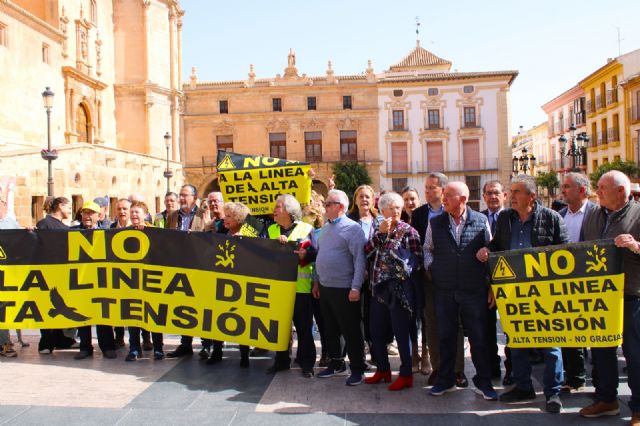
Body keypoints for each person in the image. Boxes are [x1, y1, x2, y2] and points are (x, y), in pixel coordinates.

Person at [477, 174, 568, 413]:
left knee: (551, 343)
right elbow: (498, 245)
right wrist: (488, 250)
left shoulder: (552, 218)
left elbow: (566, 253)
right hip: (513, 291)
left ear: (532, 196)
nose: (512, 196)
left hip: (545, 292)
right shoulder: (505, 218)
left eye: (517, 191)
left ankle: (553, 392)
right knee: (516, 340)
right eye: (512, 191)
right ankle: (523, 386)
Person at [425, 182, 497, 401]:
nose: (443, 199)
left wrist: (490, 280)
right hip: (445, 290)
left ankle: (484, 383)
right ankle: (445, 380)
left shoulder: (481, 220)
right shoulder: (435, 222)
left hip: (474, 290)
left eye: (448, 195)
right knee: (446, 337)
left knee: (479, 338)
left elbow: (491, 249)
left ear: (463, 199)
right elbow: (427, 249)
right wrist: (433, 268)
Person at [579, 171, 640, 423]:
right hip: (600, 296)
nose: (598, 192)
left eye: (603, 188)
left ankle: (638, 408)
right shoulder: (594, 214)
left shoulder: (638, 214)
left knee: (634, 353)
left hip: (631, 295)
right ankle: (607, 399)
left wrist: (636, 245)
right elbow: (582, 247)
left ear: (621, 191)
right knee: (601, 351)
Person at [410, 172, 466, 385]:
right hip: (429, 276)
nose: (427, 191)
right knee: (431, 322)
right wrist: (427, 267)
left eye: (431, 187)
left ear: (443, 190)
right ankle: (438, 367)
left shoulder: (453, 210)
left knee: (454, 322)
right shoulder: (419, 214)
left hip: (453, 278)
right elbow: (420, 246)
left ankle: (458, 369)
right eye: (425, 187)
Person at [364, 192, 423, 391]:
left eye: (398, 207)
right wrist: (380, 234)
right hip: (378, 289)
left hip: (399, 291)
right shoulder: (378, 230)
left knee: (401, 332)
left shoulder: (409, 231)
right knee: (376, 331)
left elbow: (418, 260)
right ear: (382, 211)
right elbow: (367, 251)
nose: (396, 211)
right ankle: (383, 370)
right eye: (391, 208)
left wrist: (402, 266)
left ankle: (406, 374)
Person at [313, 189, 367, 386]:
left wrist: (356, 287)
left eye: (328, 204)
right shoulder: (326, 228)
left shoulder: (353, 229)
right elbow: (320, 256)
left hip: (345, 288)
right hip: (326, 287)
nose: (325, 207)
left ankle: (358, 368)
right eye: (325, 203)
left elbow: (359, 260)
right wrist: (316, 281)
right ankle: (337, 363)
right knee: (330, 328)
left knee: (351, 330)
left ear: (341, 207)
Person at [265, 195, 316, 377]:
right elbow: (261, 253)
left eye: (278, 207)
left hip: (301, 288)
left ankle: (306, 363)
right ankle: (281, 361)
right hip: (278, 289)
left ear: (288, 211)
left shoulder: (307, 229)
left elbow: (315, 254)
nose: (274, 210)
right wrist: (274, 246)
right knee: (280, 329)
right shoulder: (270, 230)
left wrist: (305, 255)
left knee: (304, 328)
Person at [557, 172, 596, 393]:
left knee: (593, 333)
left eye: (567, 187)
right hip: (565, 283)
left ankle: (600, 381)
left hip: (590, 281)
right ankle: (575, 378)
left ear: (582, 190)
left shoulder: (596, 213)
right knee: (570, 332)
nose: (563, 190)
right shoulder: (560, 215)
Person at [166, 184, 210, 359]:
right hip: (179, 266)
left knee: (202, 307)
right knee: (184, 307)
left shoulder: (203, 214)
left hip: (199, 267)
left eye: (185, 195)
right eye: (180, 195)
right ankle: (185, 344)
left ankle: (206, 344)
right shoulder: (172, 216)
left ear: (195, 198)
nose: (182, 198)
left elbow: (211, 239)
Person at [205, 201, 252, 367]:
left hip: (242, 284)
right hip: (221, 282)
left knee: (242, 318)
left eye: (229, 216)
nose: (225, 219)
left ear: (239, 218)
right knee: (218, 317)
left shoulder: (250, 234)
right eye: (225, 215)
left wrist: (244, 241)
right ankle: (217, 351)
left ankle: (244, 354)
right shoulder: (221, 233)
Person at [72, 201, 118, 360]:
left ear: (99, 216)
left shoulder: (107, 233)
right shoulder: (71, 232)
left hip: (102, 281)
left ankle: (107, 347)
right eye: (85, 212)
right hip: (81, 281)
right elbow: (50, 237)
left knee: (103, 314)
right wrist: (33, 231)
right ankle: (85, 347)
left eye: (91, 213)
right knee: (82, 315)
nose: (87, 216)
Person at [36, 196, 78, 354]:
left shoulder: (64, 226)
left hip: (63, 273)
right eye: (68, 207)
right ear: (60, 206)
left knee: (64, 306)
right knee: (47, 307)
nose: (70, 211)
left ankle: (63, 340)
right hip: (48, 273)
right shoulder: (45, 223)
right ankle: (46, 343)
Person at [124, 201, 165, 361]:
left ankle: (158, 348)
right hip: (131, 280)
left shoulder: (155, 231)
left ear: (145, 215)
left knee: (154, 315)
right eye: (132, 212)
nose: (134, 215)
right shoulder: (124, 232)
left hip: (151, 279)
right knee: (133, 315)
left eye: (137, 212)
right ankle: (134, 348)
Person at [347, 185, 380, 364]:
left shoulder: (379, 220)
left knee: (374, 316)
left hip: (376, 276)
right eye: (361, 196)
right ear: (355, 200)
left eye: (367, 196)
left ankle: (376, 350)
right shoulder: (348, 220)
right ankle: (360, 354)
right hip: (354, 276)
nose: (364, 200)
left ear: (373, 199)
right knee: (357, 316)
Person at [481, 180, 509, 383]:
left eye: (496, 193)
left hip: (510, 282)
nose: (493, 197)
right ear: (484, 197)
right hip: (485, 283)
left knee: (511, 329)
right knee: (487, 328)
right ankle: (492, 367)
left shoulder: (512, 218)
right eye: (489, 193)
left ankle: (513, 369)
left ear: (504, 195)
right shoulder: (478, 219)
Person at [0, 193, 21, 357]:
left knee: (3, 309)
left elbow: (25, 239)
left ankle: (4, 342)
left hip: (7, 275)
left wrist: (30, 232)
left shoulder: (10, 223)